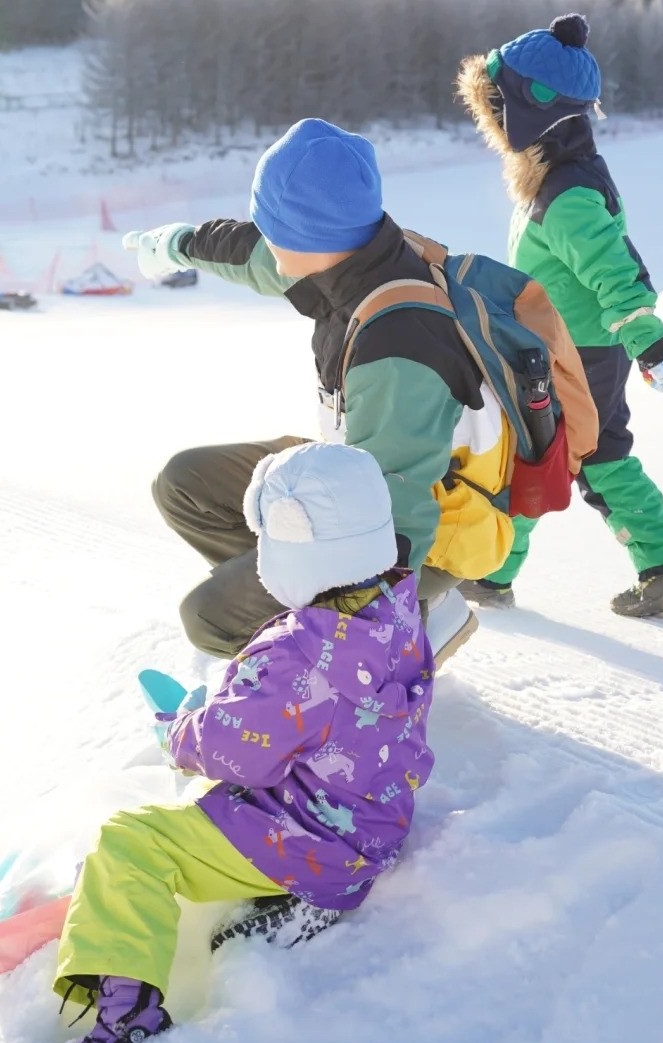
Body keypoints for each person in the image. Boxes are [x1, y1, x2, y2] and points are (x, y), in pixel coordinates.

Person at [32, 442, 435, 1043]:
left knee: (129, 843)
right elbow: (318, 715)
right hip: (375, 818)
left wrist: (177, 730)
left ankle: (125, 1019)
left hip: (305, 833)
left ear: (294, 545)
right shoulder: (398, 607)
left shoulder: (300, 653)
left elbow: (229, 752)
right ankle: (309, 897)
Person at [122, 117, 536, 667]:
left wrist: (372, 618)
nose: (267, 243)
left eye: (272, 230)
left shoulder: (399, 345)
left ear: (305, 237)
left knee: (210, 618)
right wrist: (174, 245)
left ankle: (387, 637)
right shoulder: (352, 252)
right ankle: (300, 612)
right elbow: (250, 255)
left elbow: (399, 505)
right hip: (357, 472)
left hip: (431, 523)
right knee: (185, 484)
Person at [456, 14, 663, 618]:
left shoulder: (565, 194)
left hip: (580, 351)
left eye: (498, 107)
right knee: (576, 453)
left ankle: (496, 574)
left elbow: (613, 268)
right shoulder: (554, 177)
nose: (492, 121)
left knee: (553, 453)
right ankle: (661, 565)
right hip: (569, 344)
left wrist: (647, 339)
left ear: (531, 110)